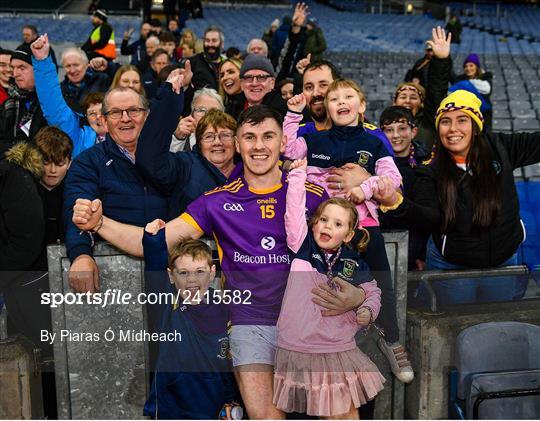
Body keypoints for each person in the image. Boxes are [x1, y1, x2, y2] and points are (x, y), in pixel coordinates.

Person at [72, 105, 368, 419]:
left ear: (283, 142)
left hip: (310, 323)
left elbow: (355, 252)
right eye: (249, 137)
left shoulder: (314, 194)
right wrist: (100, 224)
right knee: (267, 417)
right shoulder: (217, 201)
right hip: (251, 324)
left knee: (341, 414)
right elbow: (153, 241)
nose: (258, 146)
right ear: (237, 145)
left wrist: (358, 295)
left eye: (268, 136)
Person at [284, 81, 413, 384]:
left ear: (362, 105)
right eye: (334, 98)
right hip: (323, 227)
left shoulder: (375, 142)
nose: (341, 102)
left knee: (381, 281)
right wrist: (292, 114)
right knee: (319, 285)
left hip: (363, 225)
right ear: (326, 107)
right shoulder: (314, 140)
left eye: (349, 97)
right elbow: (287, 150)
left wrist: (364, 187)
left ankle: (391, 339)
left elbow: (392, 180)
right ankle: (312, 344)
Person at [377, 89, 540, 305]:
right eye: (445, 121)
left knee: (497, 323)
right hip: (452, 265)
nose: (453, 129)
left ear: (475, 125)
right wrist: (396, 203)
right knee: (454, 324)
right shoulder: (429, 169)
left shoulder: (499, 147)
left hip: (504, 262)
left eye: (462, 120)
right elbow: (430, 218)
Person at [273, 158, 384, 418]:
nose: (327, 227)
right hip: (298, 347)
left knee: (345, 414)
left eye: (337, 224)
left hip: (336, 348)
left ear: (348, 235)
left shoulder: (352, 261)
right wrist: (298, 176)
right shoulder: (301, 247)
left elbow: (373, 291)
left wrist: (367, 310)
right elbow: (293, 210)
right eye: (323, 219)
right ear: (313, 224)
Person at [63, 82, 188, 293]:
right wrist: (81, 254)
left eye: (133, 110)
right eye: (115, 113)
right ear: (103, 120)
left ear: (147, 115)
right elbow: (78, 210)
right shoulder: (88, 162)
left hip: (174, 271)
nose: (125, 118)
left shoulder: (170, 159)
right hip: (116, 276)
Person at [141, 225, 240, 418]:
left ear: (212, 273)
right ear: (171, 276)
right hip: (173, 409)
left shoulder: (225, 309)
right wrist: (154, 240)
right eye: (183, 273)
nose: (192, 279)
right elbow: (154, 275)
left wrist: (232, 398)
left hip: (215, 407)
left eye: (200, 271)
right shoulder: (167, 307)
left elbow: (229, 361)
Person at [31, 34, 106, 157]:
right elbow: (54, 107)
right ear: (86, 117)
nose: (98, 117)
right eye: (92, 113)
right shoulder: (78, 138)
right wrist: (42, 61)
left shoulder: (128, 136)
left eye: (103, 111)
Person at [378, 106, 430, 271]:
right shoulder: (373, 163)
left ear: (413, 131)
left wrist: (422, 254)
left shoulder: (426, 164)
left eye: (402, 129)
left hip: (415, 247)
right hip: (380, 244)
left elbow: (428, 216)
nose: (396, 135)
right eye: (389, 130)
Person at [393, 26, 452, 151]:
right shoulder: (384, 126)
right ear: (394, 102)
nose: (408, 100)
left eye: (414, 97)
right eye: (403, 96)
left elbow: (437, 91)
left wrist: (441, 60)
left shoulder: (428, 122)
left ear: (422, 104)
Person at [0, 45, 48, 151]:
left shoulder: (52, 101)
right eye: (14, 68)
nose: (15, 73)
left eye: (22, 68)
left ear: (37, 69)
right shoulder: (8, 104)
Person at [225, 54, 287, 120]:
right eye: (248, 77)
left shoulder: (284, 113)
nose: (254, 83)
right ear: (242, 84)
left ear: (272, 83)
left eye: (261, 77)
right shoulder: (232, 108)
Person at [171, 87, 224, 153]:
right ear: (192, 114)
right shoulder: (180, 138)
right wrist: (177, 139)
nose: (206, 115)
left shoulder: (227, 140)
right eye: (201, 110)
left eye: (213, 111)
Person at [450, 54, 493, 132]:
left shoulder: (485, 80)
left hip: (483, 114)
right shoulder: (460, 80)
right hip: (465, 113)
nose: (468, 68)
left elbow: (487, 92)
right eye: (466, 66)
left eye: (471, 65)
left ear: (477, 67)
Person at [189, 26, 225, 92]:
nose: (210, 44)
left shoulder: (227, 64)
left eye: (214, 40)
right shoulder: (192, 62)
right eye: (207, 40)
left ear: (222, 44)